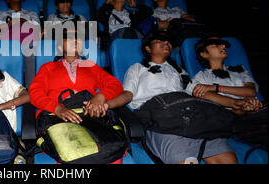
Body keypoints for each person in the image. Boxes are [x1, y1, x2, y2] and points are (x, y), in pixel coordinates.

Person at [102, 31, 239, 164]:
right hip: (162, 121)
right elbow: (128, 94)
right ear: (148, 48)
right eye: (159, 40)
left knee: (228, 159)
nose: (166, 43)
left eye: (168, 41)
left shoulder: (178, 70)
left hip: (195, 118)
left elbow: (201, 93)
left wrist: (236, 103)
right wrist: (108, 105)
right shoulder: (137, 68)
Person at [29, 28, 123, 122]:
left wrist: (100, 96)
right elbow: (35, 93)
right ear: (60, 47)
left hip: (89, 115)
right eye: (68, 37)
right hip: (56, 117)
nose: (74, 40)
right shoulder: (48, 68)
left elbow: (115, 85)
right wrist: (56, 108)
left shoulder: (91, 66)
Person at [189, 36, 263, 114]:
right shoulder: (202, 77)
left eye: (223, 44)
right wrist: (240, 104)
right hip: (230, 116)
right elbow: (200, 94)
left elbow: (251, 91)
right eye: (216, 44)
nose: (223, 46)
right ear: (204, 54)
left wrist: (216, 88)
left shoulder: (239, 70)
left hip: (257, 110)